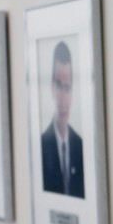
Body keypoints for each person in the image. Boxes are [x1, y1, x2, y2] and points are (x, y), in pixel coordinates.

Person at [41, 41, 85, 198]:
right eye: (59, 86)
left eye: (67, 87)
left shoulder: (80, 146)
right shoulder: (42, 145)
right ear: (52, 88)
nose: (63, 98)